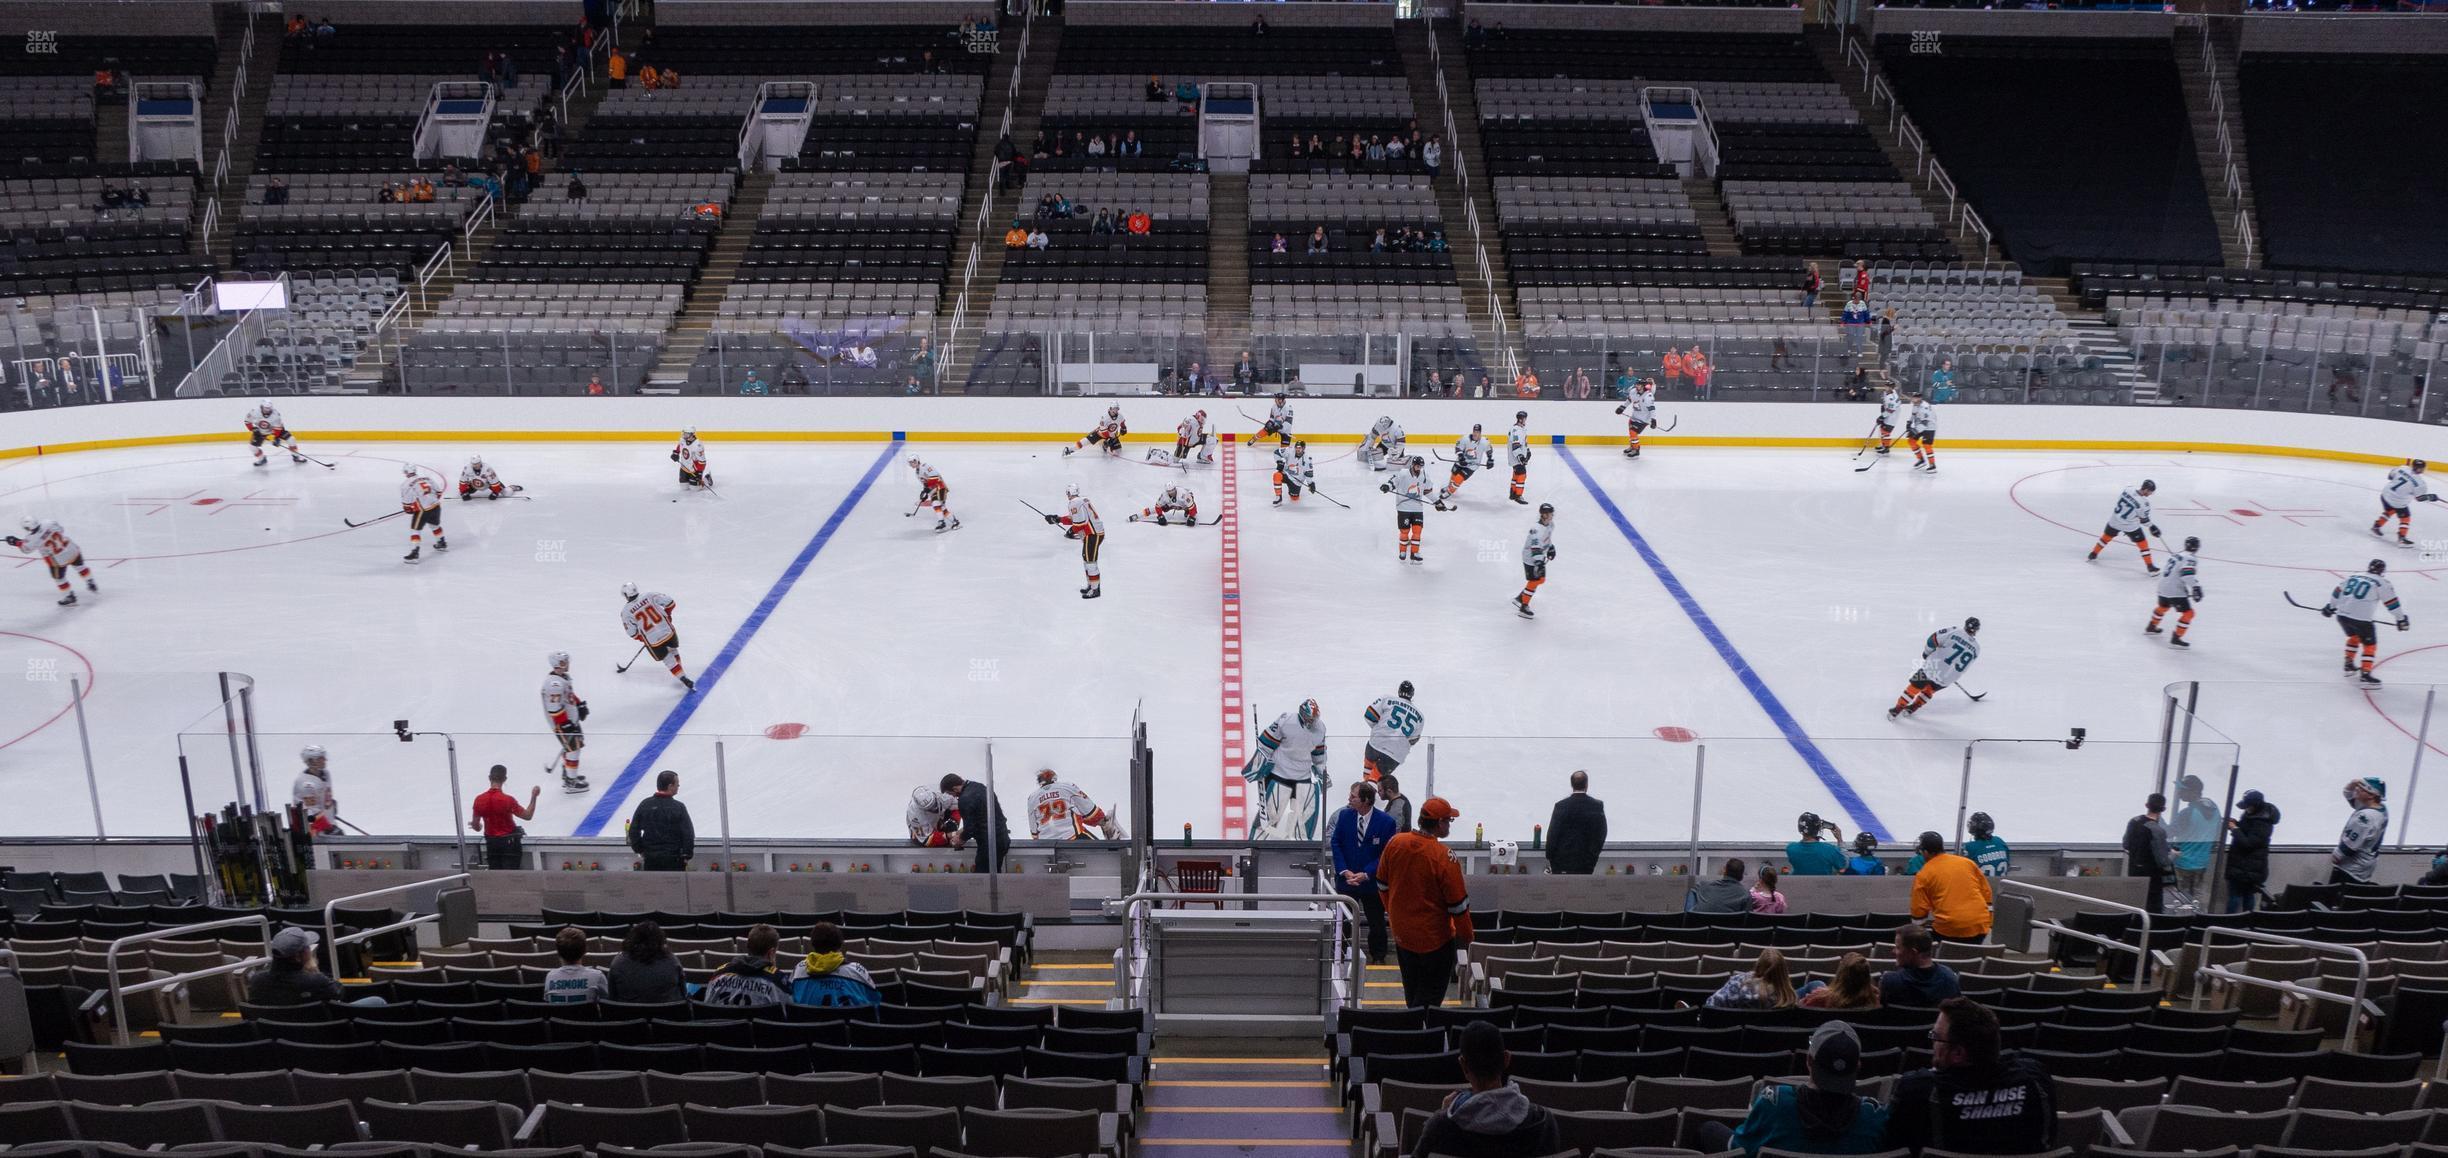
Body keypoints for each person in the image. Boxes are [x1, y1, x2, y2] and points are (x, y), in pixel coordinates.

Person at [1885, 998, 2057, 1156]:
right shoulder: (2036, 1078)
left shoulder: (1917, 1091)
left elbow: (1893, 1148)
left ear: (1958, 1053)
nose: (1933, 1042)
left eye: (1936, 1036)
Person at [1705, 1021, 1888, 1157]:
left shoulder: (1775, 1102)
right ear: (1857, 1067)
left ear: (1809, 1061)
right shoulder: (1874, 1116)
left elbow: (1739, 1148)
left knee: (1708, 1130)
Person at [1408, 1021, 1562, 1158]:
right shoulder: (1543, 1122)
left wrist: (1444, 1115)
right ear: (1506, 1059)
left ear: (1463, 1065)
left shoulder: (1441, 1128)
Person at [1378, 796, 1472, 1009]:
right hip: (1435, 941)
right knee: (1430, 1000)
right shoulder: (1443, 857)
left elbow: (1382, 885)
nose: (1449, 825)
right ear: (1439, 823)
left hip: (1403, 937)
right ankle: (1419, 1036)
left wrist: (1394, 914)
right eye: (1449, 820)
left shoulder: (1395, 843)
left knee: (1412, 992)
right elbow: (1458, 906)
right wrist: (1467, 937)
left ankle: (1413, 1031)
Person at [1330, 781, 1398, 963]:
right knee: (1342, 921)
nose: (1349, 799)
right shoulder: (1344, 816)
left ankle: (1378, 955)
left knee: (1376, 921)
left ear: (1366, 800)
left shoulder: (1386, 822)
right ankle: (1340, 953)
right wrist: (1344, 871)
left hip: (1371, 882)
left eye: (1353, 796)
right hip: (1347, 880)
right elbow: (1336, 843)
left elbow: (1386, 853)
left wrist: (1367, 873)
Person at [248, 926, 384, 1007]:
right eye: (307, 947)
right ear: (298, 957)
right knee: (377, 1001)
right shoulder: (315, 981)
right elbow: (340, 992)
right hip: (320, 1034)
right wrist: (315, 971)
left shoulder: (256, 981)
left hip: (281, 1039)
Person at [1910, 831, 1994, 943]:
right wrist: (1989, 922)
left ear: (1925, 852)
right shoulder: (1967, 863)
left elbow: (1918, 912)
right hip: (1980, 925)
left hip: (1949, 930)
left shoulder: (1924, 874)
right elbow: (1986, 893)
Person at [789, 921, 880, 1007]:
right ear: (840, 945)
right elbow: (876, 1003)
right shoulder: (858, 973)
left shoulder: (798, 972)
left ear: (813, 944)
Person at [469, 763, 539, 869]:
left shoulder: (479, 800)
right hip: (509, 844)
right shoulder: (508, 800)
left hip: (492, 844)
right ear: (505, 779)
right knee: (511, 876)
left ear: (489, 778)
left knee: (497, 876)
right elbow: (527, 816)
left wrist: (479, 826)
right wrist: (534, 796)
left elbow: (476, 827)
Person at [702, 924, 790, 1008]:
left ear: (748, 946)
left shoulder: (719, 974)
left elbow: (707, 1006)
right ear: (771, 953)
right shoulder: (778, 981)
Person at [2166, 773, 2219, 907]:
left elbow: (2169, 832)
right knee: (2197, 899)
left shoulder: (2186, 813)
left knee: (2181, 900)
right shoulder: (2215, 810)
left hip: (2183, 863)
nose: (2179, 792)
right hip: (2202, 862)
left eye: (2183, 789)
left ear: (2194, 792)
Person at [2224, 789, 2279, 912]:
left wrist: (2234, 829)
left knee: (2237, 896)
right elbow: (2248, 832)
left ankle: (2231, 923)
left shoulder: (2262, 823)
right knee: (2246, 895)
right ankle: (2245, 922)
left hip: (2248, 868)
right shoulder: (2256, 816)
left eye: (2248, 806)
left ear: (2255, 806)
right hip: (2245, 866)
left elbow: (2249, 843)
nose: (2246, 809)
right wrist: (2236, 824)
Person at [946, 772, 1012, 874]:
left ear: (954, 789)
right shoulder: (979, 787)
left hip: (989, 845)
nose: (954, 797)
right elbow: (981, 818)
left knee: (983, 880)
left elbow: (970, 829)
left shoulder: (964, 799)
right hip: (1002, 839)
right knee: (995, 876)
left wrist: (959, 839)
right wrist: (962, 831)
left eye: (951, 794)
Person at [1879, 925, 1961, 1008]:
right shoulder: (1950, 978)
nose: (1893, 951)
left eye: (1898, 947)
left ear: (1913, 952)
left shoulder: (1889, 981)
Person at [627, 769, 694, 871]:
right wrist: (686, 854)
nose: (678, 787)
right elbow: (688, 833)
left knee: (654, 886)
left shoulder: (645, 805)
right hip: (674, 859)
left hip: (651, 859)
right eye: (677, 784)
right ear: (670, 786)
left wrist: (640, 850)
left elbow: (633, 831)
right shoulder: (678, 807)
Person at [1543, 770, 1606, 875]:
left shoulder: (1561, 806)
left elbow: (1553, 834)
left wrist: (1550, 857)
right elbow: (1601, 834)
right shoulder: (1596, 806)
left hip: (1561, 863)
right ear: (1586, 785)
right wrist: (1593, 857)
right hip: (1586, 864)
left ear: (1572, 785)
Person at [609, 921, 686, 1002]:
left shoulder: (618, 963)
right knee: (697, 989)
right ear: (660, 940)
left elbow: (612, 997)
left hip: (628, 1014)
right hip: (667, 1013)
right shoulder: (672, 961)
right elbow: (683, 993)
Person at [2122, 791, 2172, 912]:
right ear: (2163, 809)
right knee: (2152, 909)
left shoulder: (2134, 821)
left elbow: (2126, 844)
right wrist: (2173, 855)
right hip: (2152, 879)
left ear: (2146, 805)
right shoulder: (2158, 831)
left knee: (2135, 905)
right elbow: (2163, 861)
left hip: (2134, 872)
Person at [2334, 776, 2389, 884]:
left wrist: (2337, 855)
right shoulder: (2380, 808)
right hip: (2363, 866)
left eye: (2362, 789)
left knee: (2340, 898)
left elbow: (2350, 846)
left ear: (2371, 795)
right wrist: (2353, 783)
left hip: (2351, 869)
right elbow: (2349, 794)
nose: (2357, 789)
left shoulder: (2365, 817)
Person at [1707, 948, 1800, 1011]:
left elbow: (1711, 1005)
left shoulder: (1738, 982)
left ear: (1758, 965)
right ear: (1783, 971)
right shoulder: (1789, 998)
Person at [542, 926, 608, 1004]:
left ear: (558, 952)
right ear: (584, 951)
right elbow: (607, 1002)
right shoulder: (597, 976)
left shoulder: (550, 976)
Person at [1802, 952, 1880, 1011]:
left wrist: (1818, 994)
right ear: (1867, 978)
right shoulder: (1875, 1001)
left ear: (1841, 974)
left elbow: (1800, 1007)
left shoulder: (1819, 998)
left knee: (1816, 983)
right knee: (1817, 983)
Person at [293, 745, 339, 837]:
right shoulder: (306, 784)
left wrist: (331, 806)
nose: (325, 760)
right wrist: (328, 828)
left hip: (329, 824)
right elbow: (311, 811)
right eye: (321, 758)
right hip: (317, 830)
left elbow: (325, 795)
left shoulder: (325, 774)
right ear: (311, 761)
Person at [1688, 858, 1753, 913]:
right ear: (1742, 876)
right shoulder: (1745, 894)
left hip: (1701, 926)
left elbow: (1692, 894)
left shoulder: (1701, 886)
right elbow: (1746, 919)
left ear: (1725, 870)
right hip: (1728, 927)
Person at [1963, 812, 2011, 878]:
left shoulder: (1969, 847)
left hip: (1980, 887)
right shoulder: (1999, 841)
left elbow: (1962, 870)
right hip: (2000, 885)